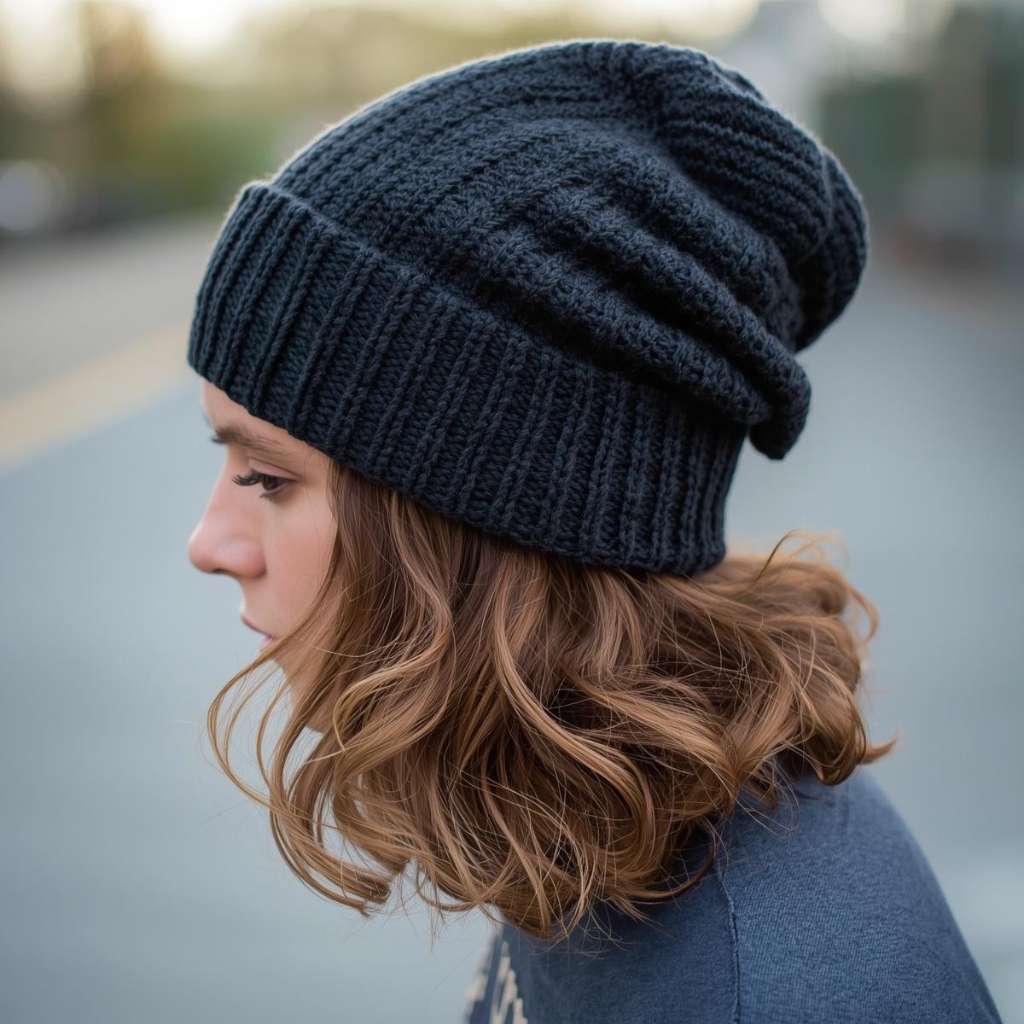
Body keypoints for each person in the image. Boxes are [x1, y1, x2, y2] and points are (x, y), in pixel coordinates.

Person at [185, 40, 1002, 1024]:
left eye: (267, 475)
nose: (210, 539)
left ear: (505, 508)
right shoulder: (589, 797)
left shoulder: (785, 993)